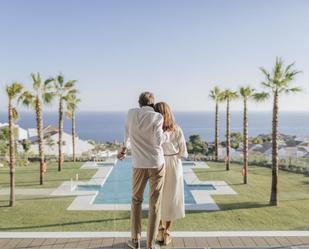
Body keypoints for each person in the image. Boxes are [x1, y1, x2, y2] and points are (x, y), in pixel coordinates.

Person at [117, 92, 168, 249]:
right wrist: (167, 134)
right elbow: (159, 141)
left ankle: (135, 240)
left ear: (139, 103)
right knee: (155, 205)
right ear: (152, 104)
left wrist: (124, 149)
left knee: (136, 201)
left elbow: (126, 134)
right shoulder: (158, 117)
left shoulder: (131, 114)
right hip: (156, 164)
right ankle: (151, 245)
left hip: (139, 164)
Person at [154, 102, 188, 246]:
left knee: (159, 197)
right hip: (173, 164)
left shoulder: (155, 130)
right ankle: (166, 232)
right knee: (172, 198)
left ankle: (161, 229)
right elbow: (183, 152)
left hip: (159, 163)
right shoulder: (177, 129)